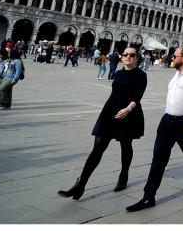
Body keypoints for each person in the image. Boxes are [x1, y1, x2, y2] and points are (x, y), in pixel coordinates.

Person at [126, 47, 183, 212]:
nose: (172, 57)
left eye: (174, 55)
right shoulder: (177, 73)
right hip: (167, 120)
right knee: (158, 158)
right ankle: (148, 196)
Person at [58, 48, 147, 199]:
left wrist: (128, 109)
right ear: (121, 57)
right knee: (98, 148)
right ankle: (80, 184)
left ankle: (123, 175)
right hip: (110, 112)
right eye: (125, 54)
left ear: (137, 58)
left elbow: (137, 97)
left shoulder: (141, 75)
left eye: (132, 55)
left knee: (126, 145)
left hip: (128, 113)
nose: (128, 57)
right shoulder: (118, 73)